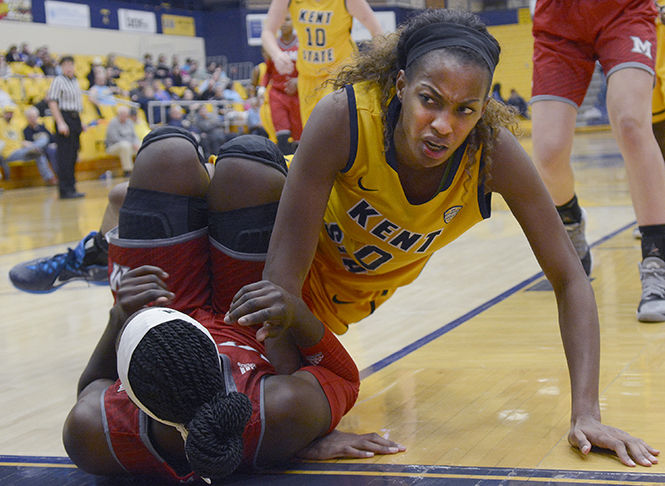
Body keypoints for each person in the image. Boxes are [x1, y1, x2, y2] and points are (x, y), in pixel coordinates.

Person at [225, 9, 659, 467]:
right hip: (251, 268)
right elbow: (279, 287)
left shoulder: (492, 155)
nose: (444, 125)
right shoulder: (345, 117)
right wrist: (303, 429)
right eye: (429, 100)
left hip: (310, 320)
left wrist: (587, 413)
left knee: (259, 410)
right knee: (232, 168)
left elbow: (571, 278)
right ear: (400, 87)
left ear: (483, 107)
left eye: (465, 109)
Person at [62, 129, 404, 482]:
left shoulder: (92, 434)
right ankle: (173, 196)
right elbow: (344, 377)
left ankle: (108, 236)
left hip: (161, 293)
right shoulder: (274, 412)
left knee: (166, 154)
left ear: (129, 390)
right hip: (249, 322)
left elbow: (90, 386)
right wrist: (295, 311)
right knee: (247, 165)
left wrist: (119, 315)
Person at [530, 0, 665, 322]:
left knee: (632, 124)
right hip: (558, 20)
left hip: (625, 10)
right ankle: (571, 220)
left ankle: (656, 260)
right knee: (548, 153)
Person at [261, 0, 382, 125]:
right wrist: (277, 55)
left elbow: (376, 29)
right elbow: (267, 31)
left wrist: (379, 65)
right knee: (312, 133)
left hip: (340, 73)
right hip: (307, 77)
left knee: (331, 125)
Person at [262, 14, 302, 155]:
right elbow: (267, 71)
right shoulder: (273, 45)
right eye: (281, 20)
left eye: (287, 19)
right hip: (278, 94)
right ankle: (283, 170)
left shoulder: (302, 44)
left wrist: (299, 81)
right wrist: (261, 88)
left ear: (294, 22)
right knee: (282, 135)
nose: (284, 23)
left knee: (300, 138)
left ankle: (298, 170)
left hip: (299, 95)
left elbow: (310, 69)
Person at [48, 55, 85, 199]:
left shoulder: (75, 81)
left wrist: (80, 122)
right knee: (65, 156)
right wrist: (60, 122)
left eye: (71, 64)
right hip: (64, 118)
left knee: (73, 155)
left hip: (75, 118)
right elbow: (52, 102)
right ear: (61, 67)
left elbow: (77, 104)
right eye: (66, 65)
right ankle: (65, 190)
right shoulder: (58, 80)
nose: (69, 67)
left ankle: (72, 187)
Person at [105, 105, 139, 177]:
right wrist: (131, 143)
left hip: (130, 145)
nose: (125, 117)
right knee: (124, 145)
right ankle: (128, 170)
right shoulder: (113, 123)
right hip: (113, 146)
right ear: (119, 114)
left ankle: (142, 169)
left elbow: (135, 136)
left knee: (142, 144)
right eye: (123, 115)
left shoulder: (129, 122)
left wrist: (135, 143)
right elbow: (114, 138)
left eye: (126, 115)